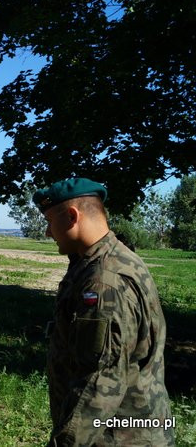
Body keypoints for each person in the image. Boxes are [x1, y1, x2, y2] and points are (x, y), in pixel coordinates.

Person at [34, 177, 174, 446]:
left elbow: (98, 385)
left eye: (49, 222)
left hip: (117, 437)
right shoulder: (107, 259)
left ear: (72, 216)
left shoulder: (103, 280)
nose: (48, 233)